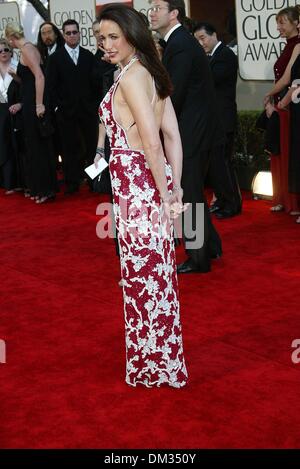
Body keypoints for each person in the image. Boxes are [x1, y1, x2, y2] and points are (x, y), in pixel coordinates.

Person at [95, 3, 188, 388]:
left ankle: (154, 364)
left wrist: (167, 195)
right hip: (147, 183)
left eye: (114, 37)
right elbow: (173, 138)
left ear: (133, 35)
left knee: (144, 275)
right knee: (154, 275)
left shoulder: (132, 78)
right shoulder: (147, 71)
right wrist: (175, 187)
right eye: (102, 38)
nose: (107, 45)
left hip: (138, 184)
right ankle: (160, 359)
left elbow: (153, 143)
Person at [149, 0, 224, 273]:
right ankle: (211, 246)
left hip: (191, 133)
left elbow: (173, 94)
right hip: (196, 130)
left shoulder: (179, 43)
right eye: (151, 7)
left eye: (158, 7)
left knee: (189, 195)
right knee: (193, 193)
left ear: (174, 13)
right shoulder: (180, 41)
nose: (152, 12)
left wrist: (153, 123)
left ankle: (198, 258)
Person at [193, 22, 242, 219]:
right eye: (197, 40)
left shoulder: (226, 56)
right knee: (216, 165)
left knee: (223, 164)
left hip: (224, 118)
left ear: (214, 35)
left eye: (203, 38)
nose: (201, 43)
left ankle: (232, 205)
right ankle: (222, 201)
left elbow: (211, 80)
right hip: (214, 119)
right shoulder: (211, 57)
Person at [5, 23, 57, 204]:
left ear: (11, 38)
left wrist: (39, 104)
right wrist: (16, 77)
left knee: (38, 148)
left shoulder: (27, 50)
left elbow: (40, 77)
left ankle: (45, 190)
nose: (8, 45)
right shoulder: (28, 49)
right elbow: (29, 78)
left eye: (7, 41)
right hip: (29, 102)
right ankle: (41, 189)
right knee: (36, 147)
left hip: (33, 105)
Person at [47, 19, 99, 195]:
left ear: (79, 33)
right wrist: (57, 107)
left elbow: (96, 84)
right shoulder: (55, 59)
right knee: (69, 149)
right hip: (65, 112)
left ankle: (95, 181)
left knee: (92, 148)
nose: (72, 35)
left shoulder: (88, 56)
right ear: (63, 35)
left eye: (74, 32)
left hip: (88, 112)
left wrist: (93, 106)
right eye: (68, 33)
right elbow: (51, 87)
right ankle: (72, 182)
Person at [264, 6, 300, 214]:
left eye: (282, 22)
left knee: (289, 154)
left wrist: (269, 95)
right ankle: (283, 199)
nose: (279, 27)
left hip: (289, 105)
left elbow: (287, 79)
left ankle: (292, 202)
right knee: (278, 152)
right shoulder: (288, 46)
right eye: (277, 23)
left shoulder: (297, 46)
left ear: (296, 23)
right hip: (281, 104)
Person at [0, 39, 23, 193]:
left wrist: (20, 104)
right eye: (0, 51)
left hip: (17, 111)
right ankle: (6, 182)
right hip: (1, 113)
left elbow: (26, 87)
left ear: (11, 51)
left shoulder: (18, 66)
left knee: (17, 146)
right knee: (3, 146)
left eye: (6, 50)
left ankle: (18, 182)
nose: (3, 53)